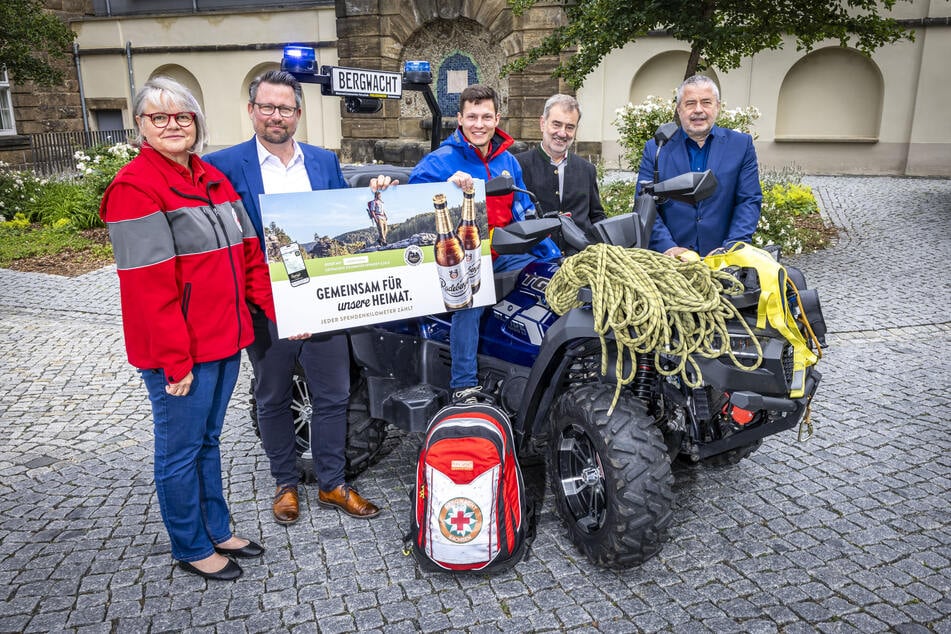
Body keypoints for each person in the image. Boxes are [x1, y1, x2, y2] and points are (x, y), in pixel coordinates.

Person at [99, 77, 273, 581]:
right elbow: (148, 290)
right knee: (179, 450)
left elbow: (249, 258)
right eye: (160, 117)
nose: (173, 125)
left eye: (183, 116)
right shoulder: (135, 188)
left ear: (196, 121)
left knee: (210, 440)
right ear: (141, 126)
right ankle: (189, 543)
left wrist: (281, 312)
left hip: (224, 339)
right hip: (182, 353)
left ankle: (216, 528)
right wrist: (175, 360)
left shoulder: (211, 178)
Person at [205, 70, 387, 525]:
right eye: (267, 107)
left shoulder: (324, 161)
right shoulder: (225, 166)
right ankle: (286, 482)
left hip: (323, 302)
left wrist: (377, 198)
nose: (275, 116)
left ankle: (331, 483)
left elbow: (343, 217)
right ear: (251, 110)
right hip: (264, 303)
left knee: (334, 395)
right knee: (272, 396)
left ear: (298, 114)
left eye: (285, 108)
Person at [409, 84, 560, 403]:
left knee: (548, 277)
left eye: (486, 116)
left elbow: (524, 214)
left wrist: (555, 258)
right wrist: (447, 192)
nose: (480, 124)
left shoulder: (509, 161)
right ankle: (463, 384)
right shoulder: (437, 164)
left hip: (503, 253)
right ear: (460, 119)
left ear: (497, 119)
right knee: (471, 297)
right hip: (461, 261)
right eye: (472, 116)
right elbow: (415, 212)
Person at [638, 75, 762, 258]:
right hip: (670, 261)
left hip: (724, 259)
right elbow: (644, 204)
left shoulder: (741, 145)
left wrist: (731, 247)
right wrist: (668, 247)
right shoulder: (656, 148)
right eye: (690, 103)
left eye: (706, 102)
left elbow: (748, 201)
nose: (698, 110)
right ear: (679, 109)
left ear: (717, 107)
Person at [516, 94, 605, 236]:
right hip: (538, 255)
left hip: (580, 254)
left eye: (570, 127)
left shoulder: (587, 169)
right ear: (542, 123)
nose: (563, 133)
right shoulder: (518, 165)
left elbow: (597, 217)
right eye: (556, 124)